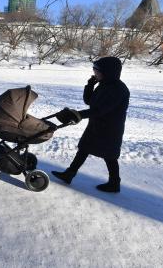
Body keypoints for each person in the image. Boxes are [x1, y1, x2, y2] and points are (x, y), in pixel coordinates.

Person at [52, 56, 130, 193]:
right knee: (84, 148)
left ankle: (114, 183)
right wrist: (90, 85)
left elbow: (100, 110)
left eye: (97, 72)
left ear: (108, 72)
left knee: (110, 156)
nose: (95, 74)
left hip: (110, 129)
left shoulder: (118, 89)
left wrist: (78, 115)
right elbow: (89, 101)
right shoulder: (104, 85)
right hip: (97, 125)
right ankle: (69, 174)